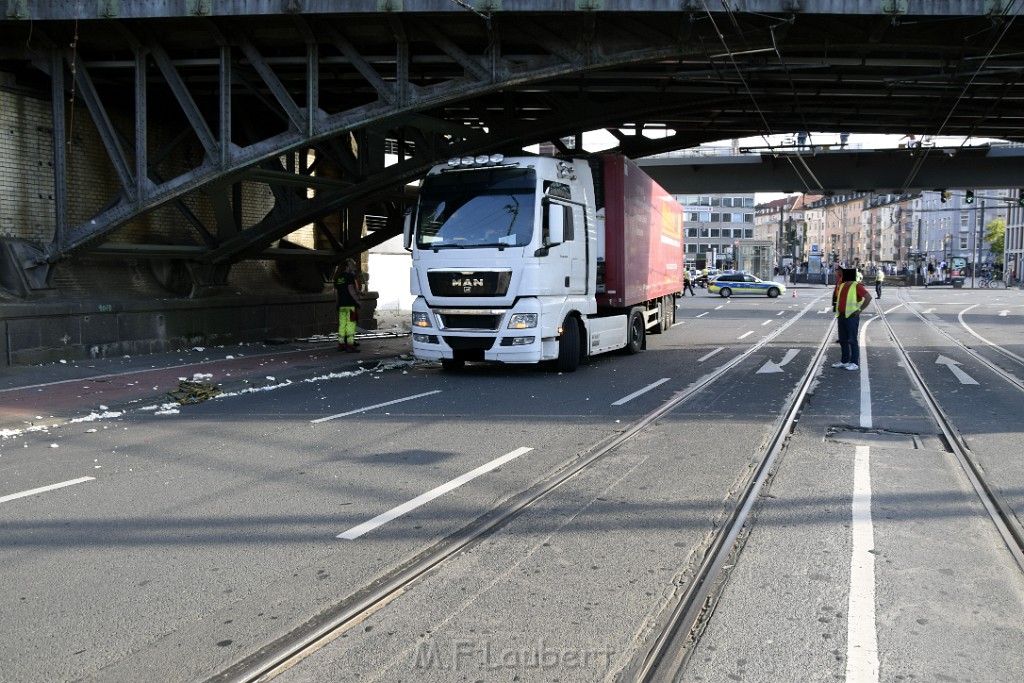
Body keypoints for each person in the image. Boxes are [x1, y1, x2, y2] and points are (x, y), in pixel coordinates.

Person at [832, 268, 872, 371]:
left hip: (851, 317)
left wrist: (860, 310)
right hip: (842, 316)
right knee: (843, 340)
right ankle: (844, 361)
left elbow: (868, 297)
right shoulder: (843, 285)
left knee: (852, 340)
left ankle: (854, 362)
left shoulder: (856, 285)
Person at [335, 257, 362, 352]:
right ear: (347, 266)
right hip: (350, 305)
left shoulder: (338, 277)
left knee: (342, 324)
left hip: (342, 305)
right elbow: (351, 290)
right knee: (351, 324)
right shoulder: (349, 276)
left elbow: (337, 292)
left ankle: (341, 344)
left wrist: (337, 303)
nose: (354, 265)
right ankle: (350, 345)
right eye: (352, 264)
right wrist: (357, 300)